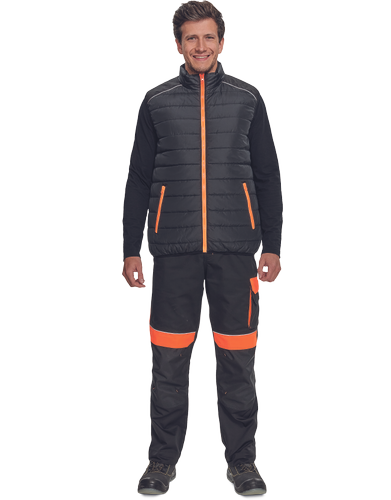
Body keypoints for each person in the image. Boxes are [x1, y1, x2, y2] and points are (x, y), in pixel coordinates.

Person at [122, 1, 282, 498]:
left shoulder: (248, 99)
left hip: (237, 252)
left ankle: (243, 463)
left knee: (237, 363)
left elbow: (268, 174)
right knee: (168, 363)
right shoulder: (156, 101)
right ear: (178, 44)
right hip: (174, 253)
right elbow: (139, 177)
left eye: (208, 37)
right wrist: (130, 248)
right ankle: (161, 461)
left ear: (222, 42)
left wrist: (273, 244)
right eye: (191, 38)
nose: (200, 46)